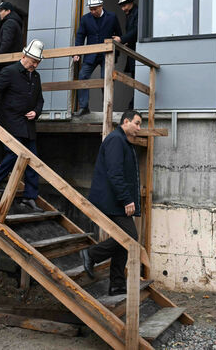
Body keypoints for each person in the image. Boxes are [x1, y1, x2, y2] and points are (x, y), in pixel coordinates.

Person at [79, 110, 142, 295]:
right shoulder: (116, 140)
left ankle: (117, 284)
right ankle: (91, 254)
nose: (139, 128)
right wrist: (127, 199)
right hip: (111, 201)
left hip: (116, 201)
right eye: (137, 123)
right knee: (130, 237)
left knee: (124, 240)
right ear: (126, 121)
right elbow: (115, 173)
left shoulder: (122, 141)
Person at [0, 39, 45, 214]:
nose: (35, 65)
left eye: (37, 62)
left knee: (33, 160)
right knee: (13, 154)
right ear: (24, 56)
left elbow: (40, 100)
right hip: (11, 121)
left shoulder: (36, 76)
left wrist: (36, 112)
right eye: (33, 61)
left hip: (28, 124)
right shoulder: (10, 71)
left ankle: (30, 197)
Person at [72, 0, 122, 116]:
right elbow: (80, 36)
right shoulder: (85, 19)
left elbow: (119, 34)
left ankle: (107, 107)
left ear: (101, 5)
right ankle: (84, 107)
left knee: (105, 79)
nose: (93, 11)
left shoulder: (112, 17)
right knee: (82, 76)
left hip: (107, 54)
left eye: (95, 9)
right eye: (91, 9)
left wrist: (117, 51)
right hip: (91, 54)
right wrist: (76, 52)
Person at [117, 0, 138, 108]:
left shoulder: (137, 13)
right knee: (135, 80)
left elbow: (136, 31)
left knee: (137, 80)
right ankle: (133, 106)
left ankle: (133, 106)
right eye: (122, 6)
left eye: (124, 5)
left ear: (131, 3)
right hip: (133, 52)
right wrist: (127, 41)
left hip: (137, 53)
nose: (123, 8)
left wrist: (122, 39)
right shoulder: (131, 13)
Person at [0, 1, 25, 74]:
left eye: (1, 10)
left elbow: (6, 42)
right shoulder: (15, 23)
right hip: (12, 63)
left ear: (8, 11)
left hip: (6, 63)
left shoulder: (9, 23)